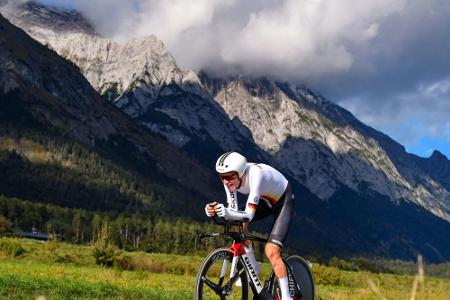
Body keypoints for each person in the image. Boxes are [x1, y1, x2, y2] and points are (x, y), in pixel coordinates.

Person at [205, 151, 294, 300]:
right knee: (237, 226)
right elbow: (232, 210)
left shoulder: (256, 175)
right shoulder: (230, 181)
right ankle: (253, 268)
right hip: (265, 201)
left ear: (240, 173)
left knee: (271, 251)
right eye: (222, 177)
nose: (226, 181)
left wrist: (227, 212)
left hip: (283, 202)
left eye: (229, 177)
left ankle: (287, 297)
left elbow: (249, 215)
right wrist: (213, 211)